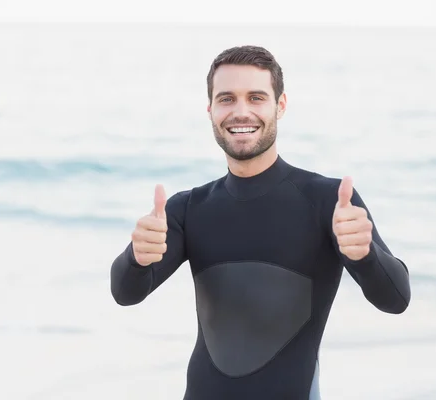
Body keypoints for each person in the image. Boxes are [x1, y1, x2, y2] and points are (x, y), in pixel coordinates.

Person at [110, 45, 411, 400]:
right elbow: (125, 293)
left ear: (279, 106)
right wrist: (137, 257)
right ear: (210, 110)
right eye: (226, 99)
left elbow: (396, 298)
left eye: (256, 97)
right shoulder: (188, 209)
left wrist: (366, 255)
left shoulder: (328, 201)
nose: (241, 112)